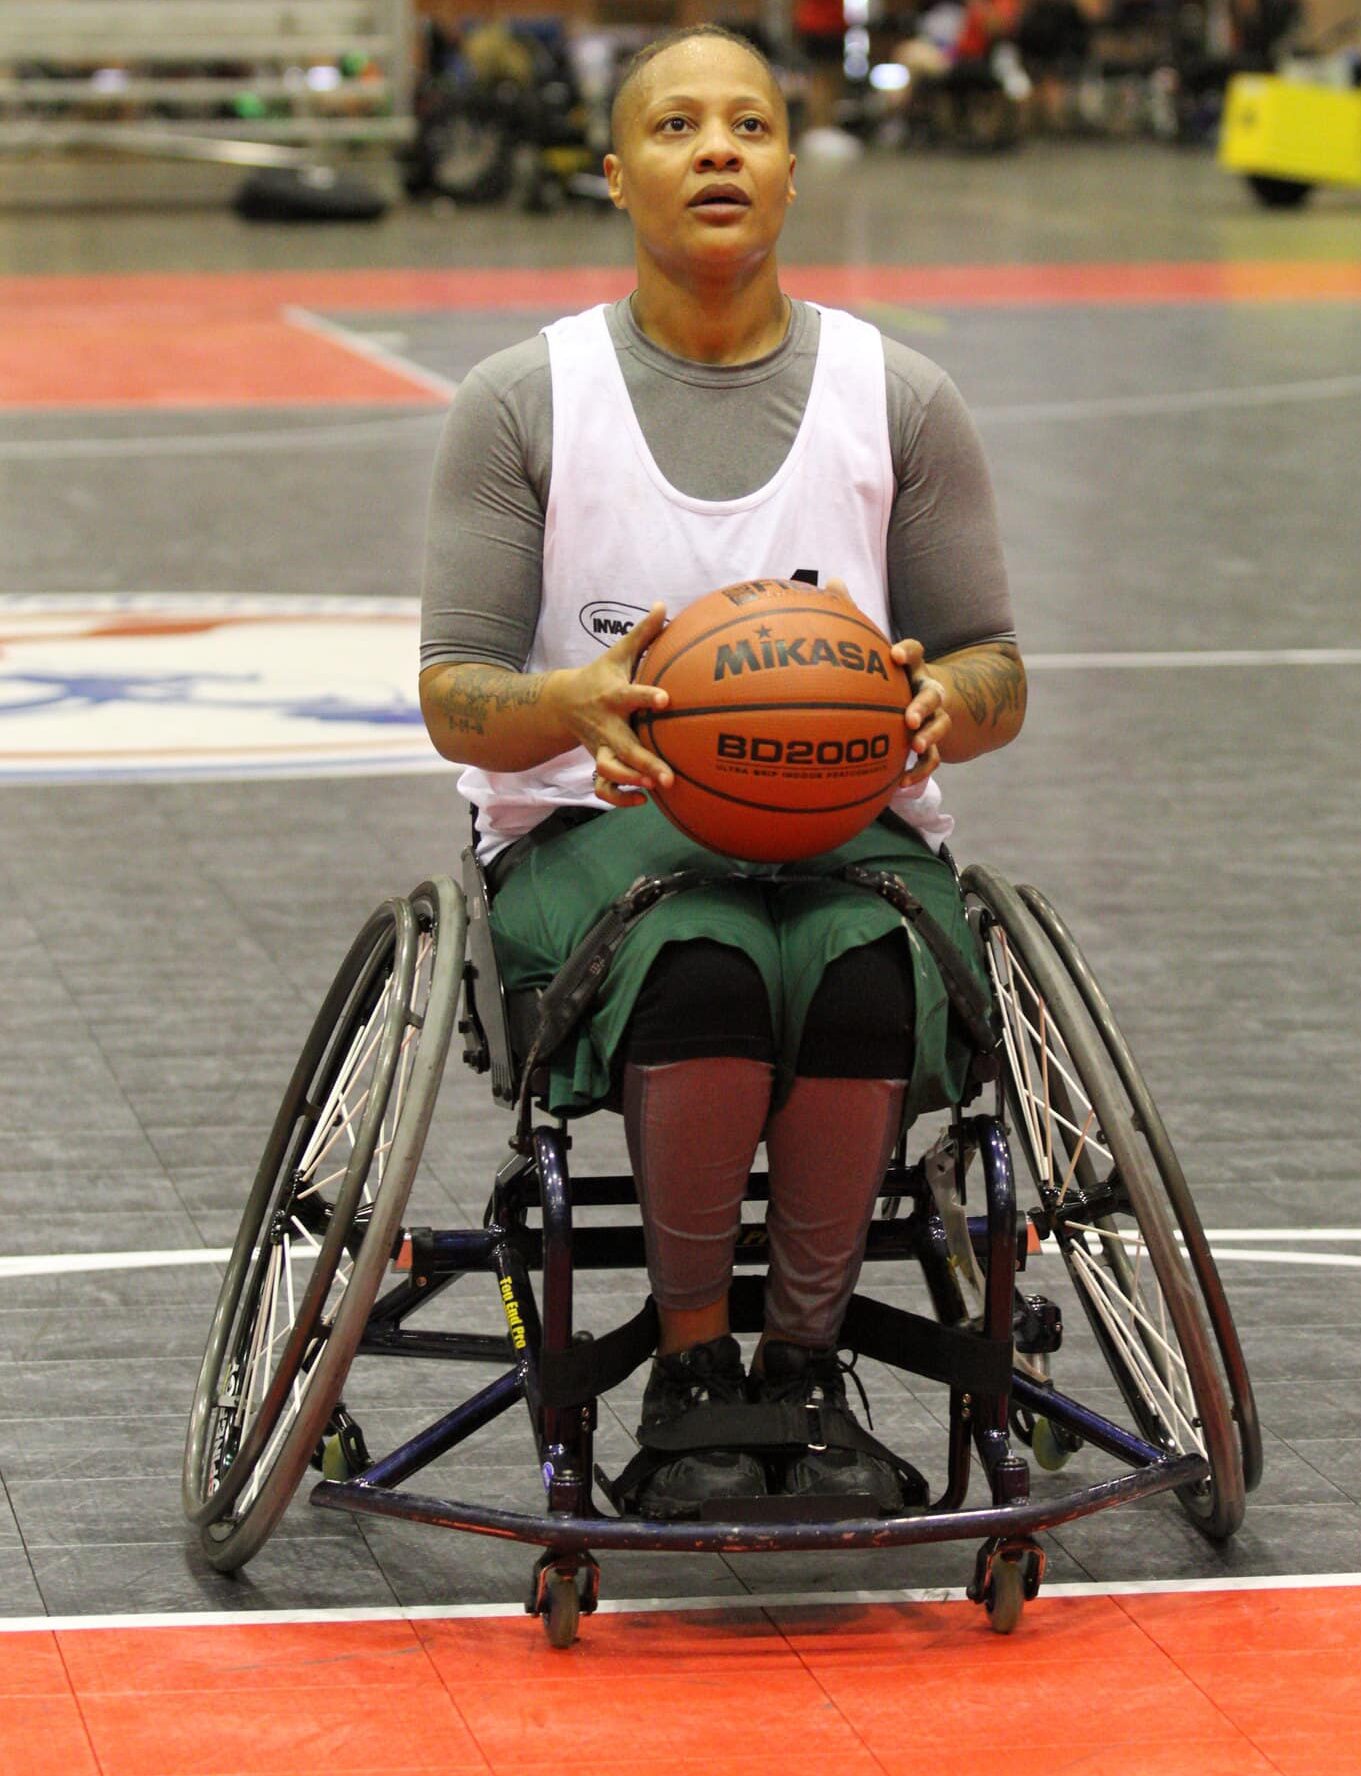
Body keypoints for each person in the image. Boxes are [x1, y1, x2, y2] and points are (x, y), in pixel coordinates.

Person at [419, 23, 1026, 1519]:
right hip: (593, 824)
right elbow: (455, 698)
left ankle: (803, 1369)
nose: (716, 150)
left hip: (847, 826)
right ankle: (694, 1373)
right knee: (702, 962)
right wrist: (567, 702)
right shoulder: (521, 398)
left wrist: (936, 699)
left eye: (748, 126)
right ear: (615, 173)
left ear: (788, 173)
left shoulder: (900, 395)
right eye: (676, 126)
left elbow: (997, 669)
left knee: (863, 970)